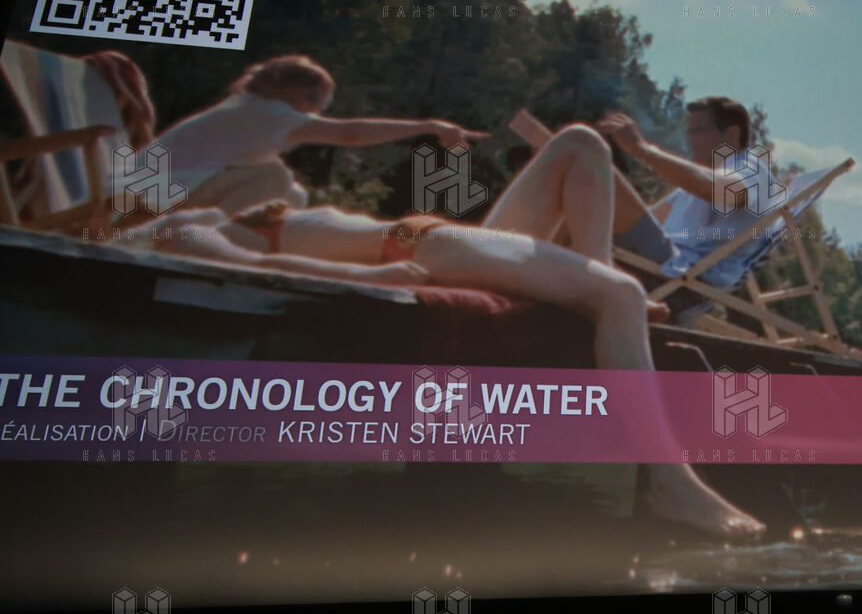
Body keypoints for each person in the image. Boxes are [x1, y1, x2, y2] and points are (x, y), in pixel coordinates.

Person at [129, 123, 766, 542]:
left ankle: (586, 286)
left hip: (430, 237)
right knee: (622, 295)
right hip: (416, 245)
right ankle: (671, 484)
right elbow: (263, 269)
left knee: (580, 144)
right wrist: (366, 277)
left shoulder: (227, 209)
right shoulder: (178, 227)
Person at [150, 54, 486, 216]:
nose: (318, 113)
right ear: (293, 92)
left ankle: (224, 243)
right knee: (273, 178)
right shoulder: (269, 113)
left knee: (293, 195)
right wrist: (430, 126)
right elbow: (351, 134)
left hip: (147, 193)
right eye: (319, 102)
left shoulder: (246, 108)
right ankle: (200, 247)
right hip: (141, 203)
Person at [592, 97, 783, 320]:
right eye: (689, 132)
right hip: (660, 266)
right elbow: (646, 218)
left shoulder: (750, 169)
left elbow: (717, 190)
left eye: (699, 131)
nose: (691, 140)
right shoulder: (704, 178)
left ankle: (588, 276)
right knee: (585, 175)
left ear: (732, 134)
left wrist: (642, 150)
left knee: (588, 153)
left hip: (676, 282)